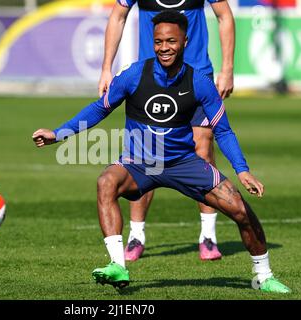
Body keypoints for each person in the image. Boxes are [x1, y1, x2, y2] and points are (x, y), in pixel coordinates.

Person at [32, 11, 290, 294]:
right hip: (140, 163)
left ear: (185, 41)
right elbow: (99, 109)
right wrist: (59, 134)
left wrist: (242, 170)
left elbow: (223, 130)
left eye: (171, 41)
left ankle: (263, 277)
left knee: (241, 210)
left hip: (184, 163)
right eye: (158, 42)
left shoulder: (199, 82)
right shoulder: (134, 75)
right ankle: (118, 266)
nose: (164, 47)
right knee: (106, 182)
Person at [98, 0, 235, 262]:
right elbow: (117, 16)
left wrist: (227, 68)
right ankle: (136, 235)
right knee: (145, 157)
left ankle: (208, 235)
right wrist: (107, 67)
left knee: (203, 149)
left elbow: (224, 15)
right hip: (152, 79)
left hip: (196, 77)